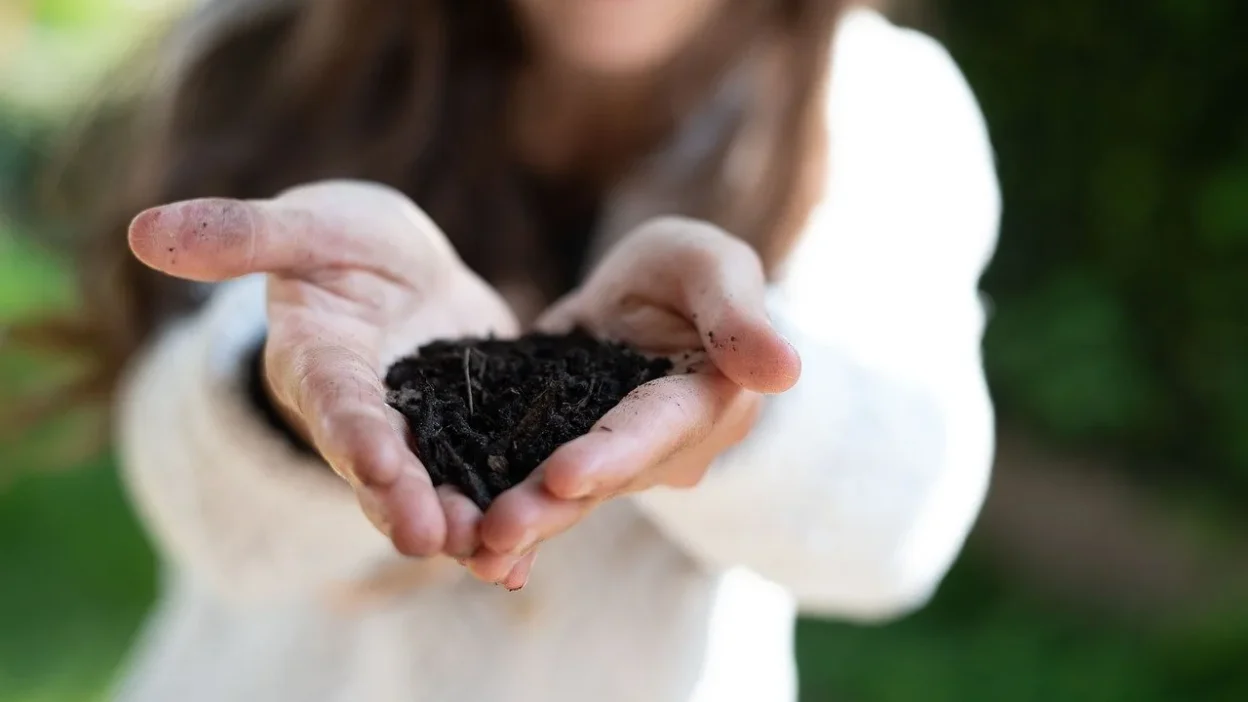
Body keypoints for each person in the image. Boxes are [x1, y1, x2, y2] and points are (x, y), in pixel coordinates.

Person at [42, 0, 1000, 699]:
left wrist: (747, 409)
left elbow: (899, 519)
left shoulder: (881, 113)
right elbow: (197, 511)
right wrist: (286, 403)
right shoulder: (281, 44)